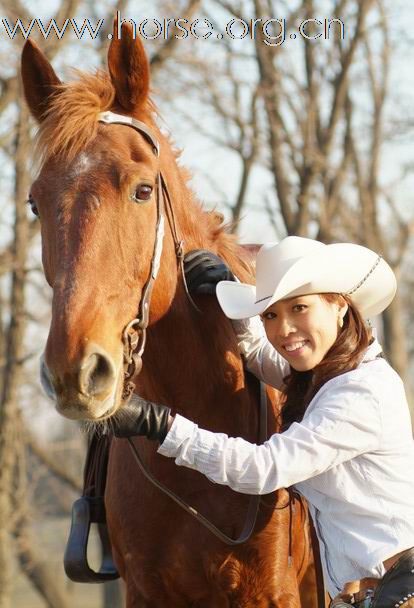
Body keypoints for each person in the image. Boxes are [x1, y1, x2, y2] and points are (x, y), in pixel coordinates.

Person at [112, 236, 414, 608]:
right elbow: (264, 357)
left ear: (338, 305)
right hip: (368, 593)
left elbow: (263, 468)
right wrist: (233, 305)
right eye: (270, 314)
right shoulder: (331, 377)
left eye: (299, 308)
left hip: (398, 590)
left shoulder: (360, 392)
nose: (283, 330)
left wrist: (162, 426)